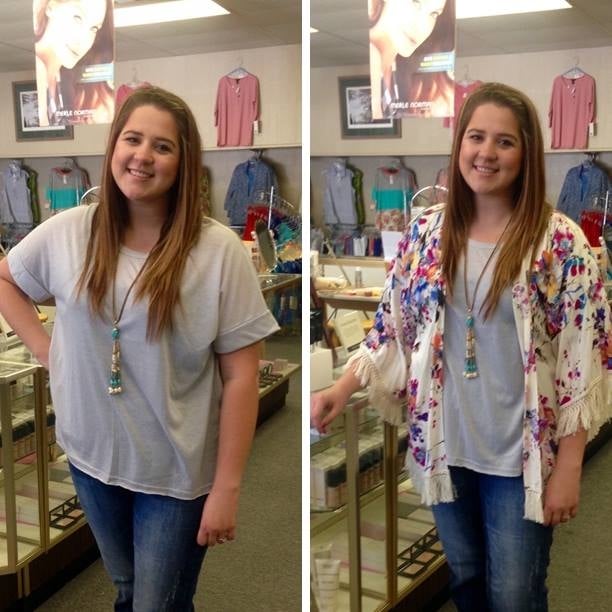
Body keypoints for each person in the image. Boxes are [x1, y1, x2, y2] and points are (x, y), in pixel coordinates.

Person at [311, 82, 611, 611]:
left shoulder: (560, 242)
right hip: (445, 445)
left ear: (526, 152)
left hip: (520, 454)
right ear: (459, 145)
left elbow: (582, 360)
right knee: (467, 581)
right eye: (476, 137)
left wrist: (569, 467)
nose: (486, 153)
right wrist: (341, 387)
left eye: (504, 141)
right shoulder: (426, 233)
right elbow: (392, 327)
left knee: (515, 593)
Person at [0, 86, 279, 610]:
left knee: (157, 603)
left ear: (184, 161)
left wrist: (227, 488)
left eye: (162, 146)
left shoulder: (217, 251)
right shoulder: (69, 231)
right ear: (113, 147)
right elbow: (6, 279)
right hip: (89, 456)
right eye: (132, 139)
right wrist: (45, 349)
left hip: (174, 471)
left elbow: (242, 376)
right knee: (129, 589)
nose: (142, 156)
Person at [368, 0, 454, 119]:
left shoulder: (393, 66)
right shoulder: (373, 57)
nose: (423, 26)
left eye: (434, 13)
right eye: (415, 2)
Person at [33, 0, 114, 126]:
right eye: (77, 18)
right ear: (50, 7)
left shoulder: (60, 77)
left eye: (94, 28)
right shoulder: (39, 70)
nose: (84, 40)